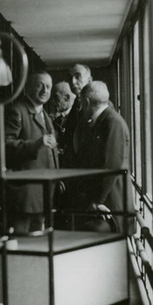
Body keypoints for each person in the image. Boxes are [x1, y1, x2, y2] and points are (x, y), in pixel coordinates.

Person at [72, 81, 135, 233]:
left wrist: (97, 201)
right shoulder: (104, 121)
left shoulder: (112, 122)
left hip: (110, 202)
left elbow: (111, 165)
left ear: (86, 102)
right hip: (105, 202)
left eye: (81, 102)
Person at [4, 71, 58, 234]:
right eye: (40, 85)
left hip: (43, 189)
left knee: (37, 239)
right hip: (26, 192)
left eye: (48, 86)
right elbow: (5, 145)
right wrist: (36, 144)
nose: (45, 90)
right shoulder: (18, 111)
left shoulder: (44, 114)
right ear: (28, 88)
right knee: (22, 238)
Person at [62, 63, 92, 167]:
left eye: (78, 77)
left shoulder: (98, 104)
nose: (73, 82)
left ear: (89, 80)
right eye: (70, 78)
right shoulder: (76, 104)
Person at [47, 81, 75, 163]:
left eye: (56, 98)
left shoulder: (78, 117)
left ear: (67, 97)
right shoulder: (55, 119)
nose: (53, 102)